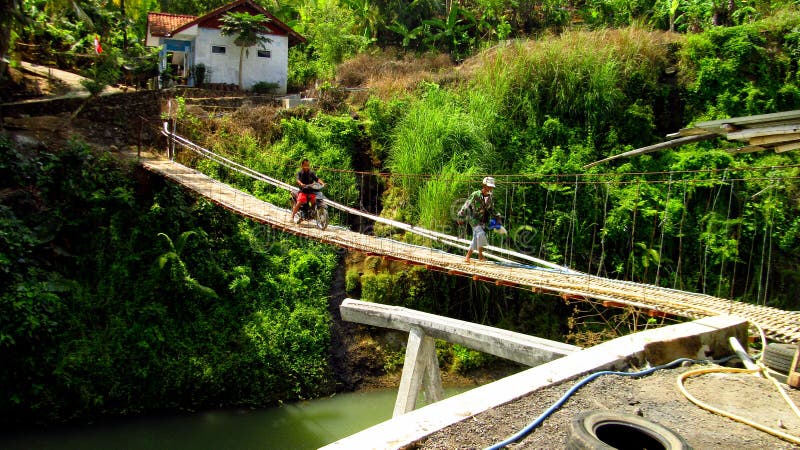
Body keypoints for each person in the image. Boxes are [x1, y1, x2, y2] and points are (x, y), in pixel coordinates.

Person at [459, 176, 496, 263]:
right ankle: (480, 256)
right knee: (480, 233)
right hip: (473, 219)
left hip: (482, 220)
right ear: (484, 185)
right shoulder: (476, 194)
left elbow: (491, 209)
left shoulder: (490, 197)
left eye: (491, 187)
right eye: (488, 186)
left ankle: (468, 257)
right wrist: (461, 215)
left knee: (476, 238)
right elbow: (467, 204)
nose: (490, 188)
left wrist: (496, 217)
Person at [291, 158, 325, 224]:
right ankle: (292, 217)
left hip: (310, 191)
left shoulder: (311, 172)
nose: (307, 166)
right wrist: (301, 184)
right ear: (302, 165)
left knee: (314, 201)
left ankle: (310, 214)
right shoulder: (300, 173)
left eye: (308, 165)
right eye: (305, 165)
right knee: (299, 202)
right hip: (303, 191)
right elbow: (297, 180)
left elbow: (317, 179)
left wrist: (322, 183)